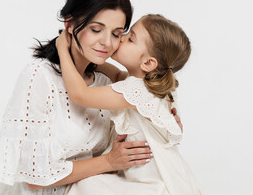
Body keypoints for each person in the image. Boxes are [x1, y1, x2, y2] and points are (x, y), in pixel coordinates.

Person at [0, 0, 161, 195]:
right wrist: (109, 161)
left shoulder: (105, 81)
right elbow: (34, 179)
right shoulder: (39, 76)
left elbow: (141, 91)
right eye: (96, 29)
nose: (107, 43)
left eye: (116, 34)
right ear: (69, 24)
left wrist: (160, 112)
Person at [56, 14, 202, 195]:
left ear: (148, 63)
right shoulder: (145, 85)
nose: (121, 37)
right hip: (149, 173)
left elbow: (80, 95)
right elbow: (117, 76)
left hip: (148, 183)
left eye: (131, 38)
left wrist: (63, 50)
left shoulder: (138, 90)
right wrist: (90, 54)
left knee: (86, 185)